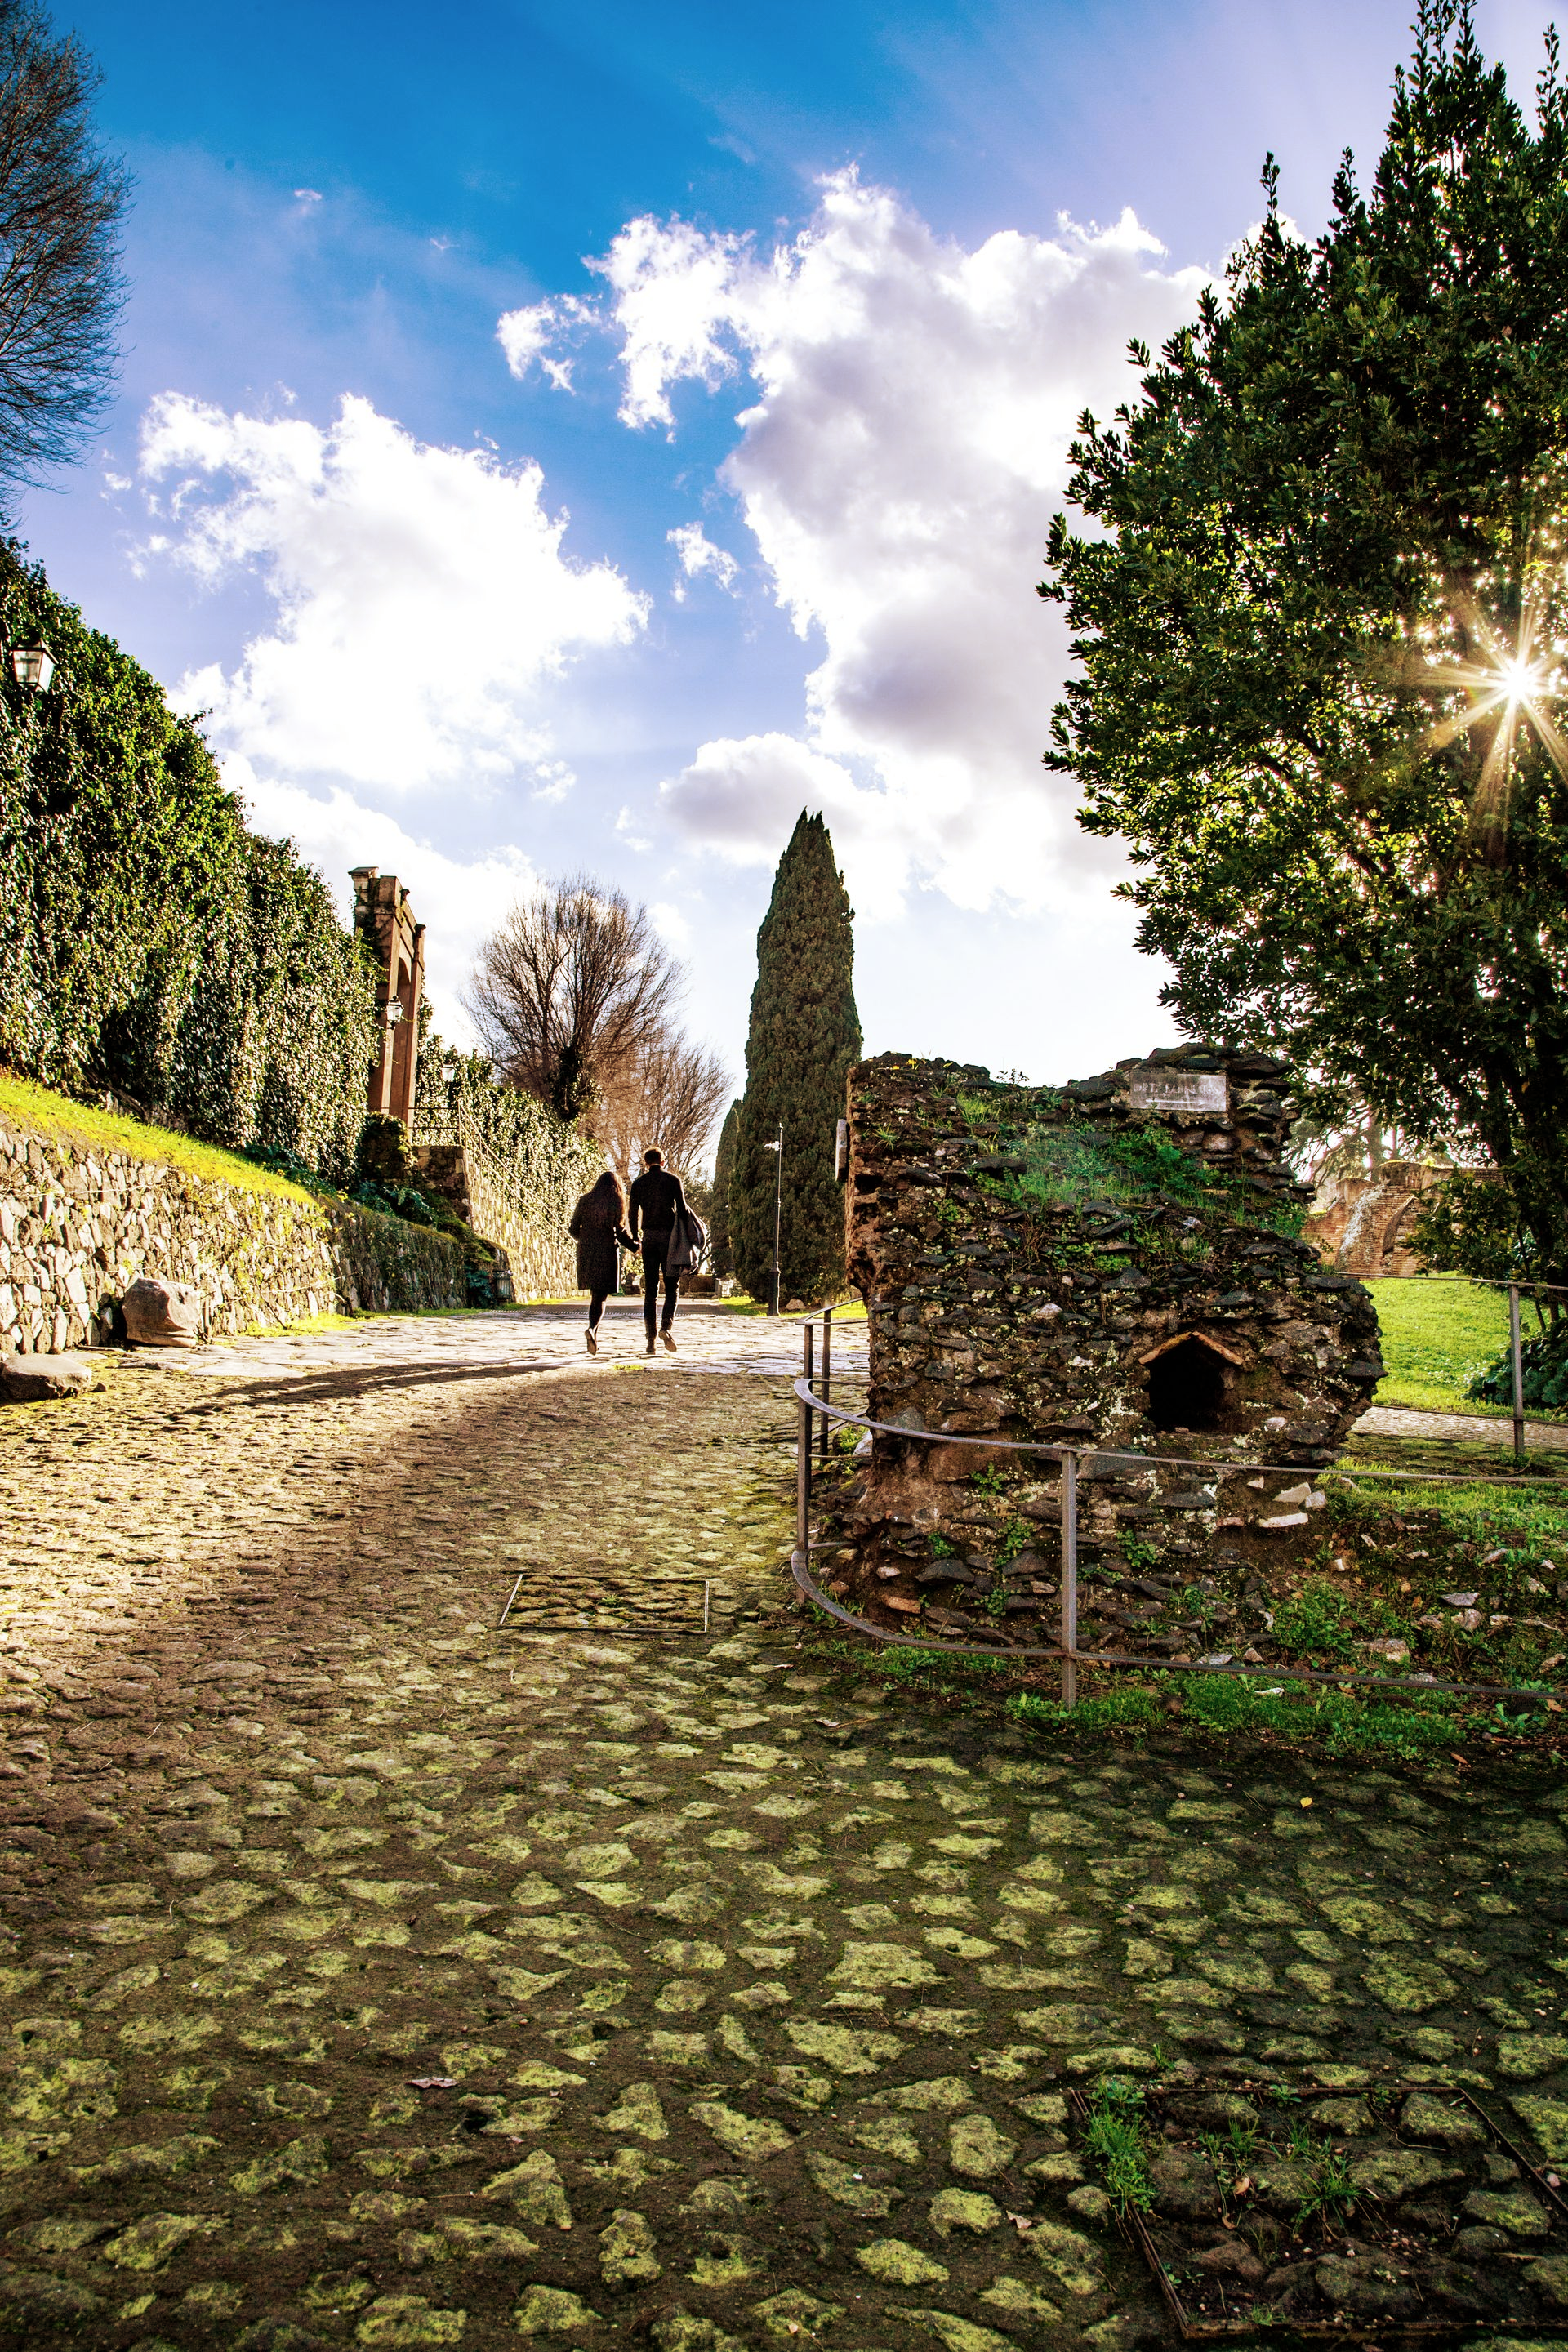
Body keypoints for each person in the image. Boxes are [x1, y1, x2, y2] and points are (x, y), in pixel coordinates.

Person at [627, 1147, 688, 1355]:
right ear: (663, 1162)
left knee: (650, 1292)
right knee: (672, 1287)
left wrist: (636, 1238)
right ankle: (666, 1327)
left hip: (650, 1239)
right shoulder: (673, 1181)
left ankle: (650, 1341)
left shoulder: (639, 1184)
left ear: (646, 1163)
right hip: (670, 1240)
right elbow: (682, 1210)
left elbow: (633, 1212)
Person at [568, 1170, 631, 1356]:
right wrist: (635, 1246)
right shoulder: (617, 1202)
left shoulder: (585, 1200)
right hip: (606, 1251)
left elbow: (573, 1229)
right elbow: (620, 1232)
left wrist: (586, 1239)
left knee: (595, 1293)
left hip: (587, 1251)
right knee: (600, 1296)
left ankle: (593, 1332)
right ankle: (592, 1328)